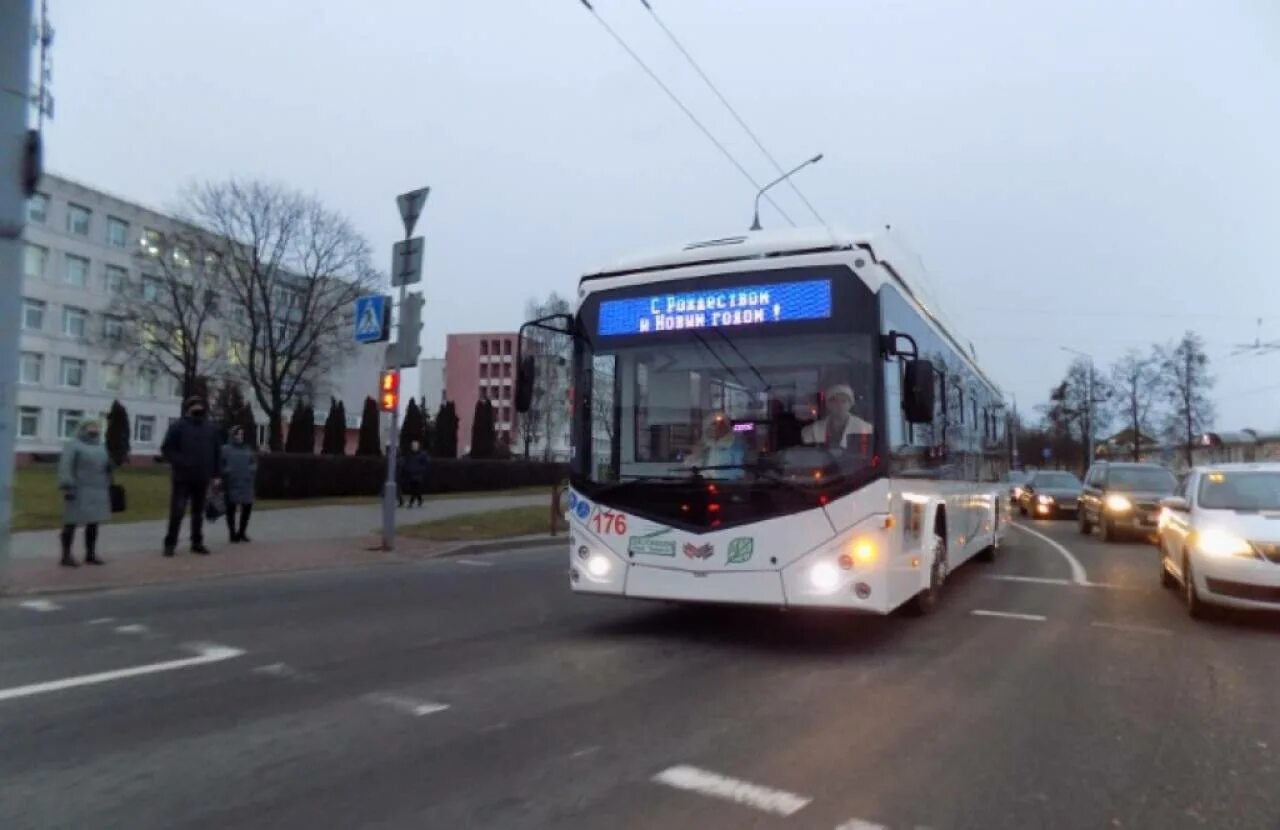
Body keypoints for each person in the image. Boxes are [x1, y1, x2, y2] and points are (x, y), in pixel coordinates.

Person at [161, 396, 222, 556]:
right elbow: (167, 450)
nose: (198, 408)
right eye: (194, 405)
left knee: (198, 513)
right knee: (177, 512)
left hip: (202, 477)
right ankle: (170, 544)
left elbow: (217, 452)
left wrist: (216, 475)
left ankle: (197, 542)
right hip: (182, 477)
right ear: (188, 408)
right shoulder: (178, 427)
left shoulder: (211, 429)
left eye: (200, 405)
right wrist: (182, 461)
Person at [56, 419, 112, 567]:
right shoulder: (73, 445)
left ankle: (91, 553)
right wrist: (67, 485)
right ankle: (66, 555)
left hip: (98, 489)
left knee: (94, 522)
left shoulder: (101, 446)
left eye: (96, 426)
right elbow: (65, 466)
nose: (94, 429)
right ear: (83, 428)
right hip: (78, 489)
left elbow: (106, 466)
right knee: (71, 522)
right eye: (91, 426)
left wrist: (109, 472)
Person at [802, 383, 873, 450]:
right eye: (834, 401)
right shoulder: (812, 431)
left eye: (844, 401)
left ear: (850, 404)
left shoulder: (866, 429)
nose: (839, 405)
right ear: (828, 405)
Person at [220, 426, 257, 543]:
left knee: (247, 508)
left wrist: (251, 470)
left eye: (242, 434)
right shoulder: (225, 449)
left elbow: (254, 462)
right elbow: (220, 464)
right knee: (231, 510)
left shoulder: (247, 449)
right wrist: (227, 471)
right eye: (238, 434)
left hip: (246, 482)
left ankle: (242, 532)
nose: (240, 436)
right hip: (232, 483)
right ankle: (232, 534)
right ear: (232, 435)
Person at [685, 411, 746, 479]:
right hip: (703, 485)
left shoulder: (736, 445)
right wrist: (696, 455)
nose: (716, 427)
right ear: (707, 427)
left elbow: (740, 471)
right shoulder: (703, 445)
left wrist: (717, 475)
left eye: (721, 424)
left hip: (727, 486)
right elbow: (689, 468)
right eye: (713, 424)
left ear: (726, 427)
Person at [401, 440, 429, 507]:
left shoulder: (422, 454)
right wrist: (406, 469)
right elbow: (406, 463)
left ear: (418, 446)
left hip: (418, 474)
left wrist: (421, 470)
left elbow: (426, 464)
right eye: (413, 446)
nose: (414, 447)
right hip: (411, 474)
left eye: (416, 445)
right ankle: (420, 500)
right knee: (414, 489)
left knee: (415, 488)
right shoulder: (409, 454)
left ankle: (411, 502)